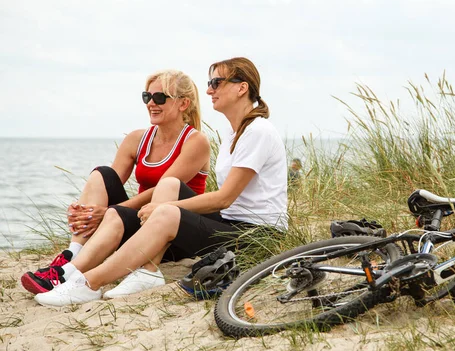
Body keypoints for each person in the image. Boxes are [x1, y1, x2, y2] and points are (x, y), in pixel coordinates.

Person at [34, 57, 288, 307]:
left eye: (216, 82)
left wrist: (164, 209)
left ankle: (88, 284)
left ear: (241, 87)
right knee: (168, 185)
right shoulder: (235, 133)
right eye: (210, 83)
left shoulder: (258, 131)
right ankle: (146, 270)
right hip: (231, 222)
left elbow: (225, 198)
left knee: (166, 211)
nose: (209, 90)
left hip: (257, 234)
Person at [21, 69, 210, 295]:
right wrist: (86, 212)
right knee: (102, 174)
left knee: (131, 205)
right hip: (140, 222)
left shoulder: (196, 142)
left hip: (171, 233)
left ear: (183, 104)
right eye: (146, 97)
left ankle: (67, 274)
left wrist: (109, 211)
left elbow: (163, 189)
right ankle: (72, 252)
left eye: (159, 97)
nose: (151, 103)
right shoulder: (137, 139)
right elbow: (111, 184)